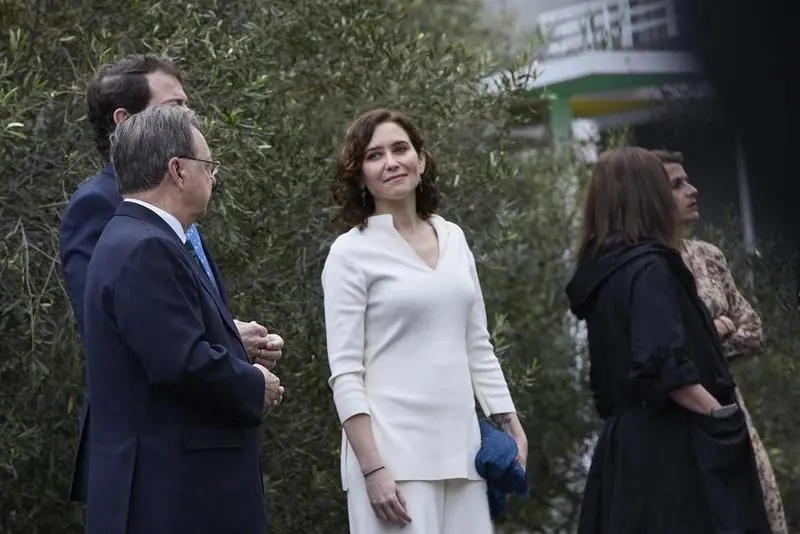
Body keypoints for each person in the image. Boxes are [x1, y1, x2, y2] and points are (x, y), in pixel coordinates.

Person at [58, 54, 283, 503]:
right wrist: (248, 381)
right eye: (174, 106)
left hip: (198, 445)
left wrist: (230, 335)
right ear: (124, 121)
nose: (188, 115)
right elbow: (123, 328)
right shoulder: (114, 208)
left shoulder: (163, 209)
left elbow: (166, 311)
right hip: (156, 455)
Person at [321, 108, 528, 534]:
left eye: (401, 149)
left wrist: (510, 424)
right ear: (360, 175)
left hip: (464, 452)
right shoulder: (349, 253)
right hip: (393, 462)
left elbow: (478, 344)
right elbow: (344, 373)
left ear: (422, 160)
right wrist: (372, 469)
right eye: (375, 155)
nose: (392, 161)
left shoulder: (453, 237)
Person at [565, 147, 770, 533]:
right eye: (668, 185)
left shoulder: (603, 270)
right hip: (674, 451)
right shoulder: (650, 267)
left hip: (628, 450)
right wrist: (720, 419)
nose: (683, 191)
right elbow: (665, 366)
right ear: (648, 195)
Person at [653, 149, 787, 534]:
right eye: (678, 185)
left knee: (759, 507)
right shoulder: (648, 267)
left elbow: (754, 331)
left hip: (730, 405)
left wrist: (707, 336)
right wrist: (718, 327)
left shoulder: (709, 257)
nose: (692, 191)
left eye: (688, 180)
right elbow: (668, 354)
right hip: (678, 416)